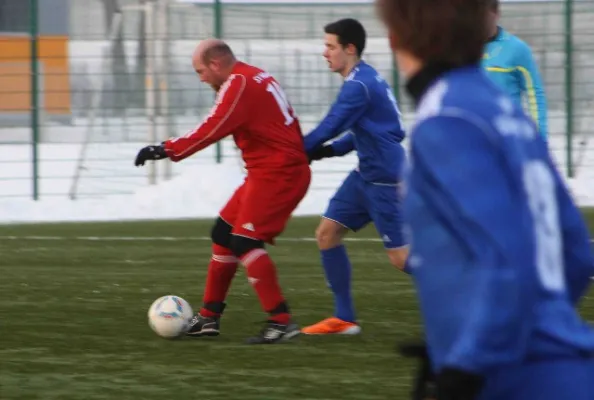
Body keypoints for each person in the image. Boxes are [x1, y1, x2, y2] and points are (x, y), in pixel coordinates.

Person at [375, 0, 594, 399]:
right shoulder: (503, 113)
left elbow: (507, 260)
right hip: (566, 368)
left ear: (396, 35)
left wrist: (467, 364)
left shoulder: (446, 117)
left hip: (515, 380)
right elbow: (576, 253)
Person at [134, 39, 311, 344]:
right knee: (223, 234)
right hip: (267, 171)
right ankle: (208, 317)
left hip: (279, 173)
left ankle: (281, 321)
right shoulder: (255, 75)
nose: (200, 78)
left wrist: (165, 148)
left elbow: (211, 127)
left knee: (244, 240)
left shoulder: (237, 84)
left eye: (200, 71)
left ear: (216, 64)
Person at [300, 18, 409, 336]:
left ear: (350, 49)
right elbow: (371, 130)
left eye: (330, 46)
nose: (325, 53)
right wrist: (327, 152)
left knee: (402, 258)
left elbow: (330, 125)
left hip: (385, 179)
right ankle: (344, 319)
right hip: (366, 173)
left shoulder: (357, 86)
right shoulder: (365, 78)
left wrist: (296, 150)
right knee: (326, 234)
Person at [483, 0, 548, 139]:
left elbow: (535, 94)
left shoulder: (517, 49)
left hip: (508, 135)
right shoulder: (462, 49)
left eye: (484, 16)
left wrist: (538, 138)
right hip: (474, 135)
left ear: (496, 14)